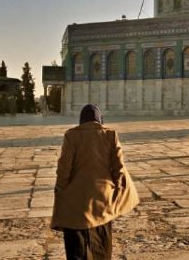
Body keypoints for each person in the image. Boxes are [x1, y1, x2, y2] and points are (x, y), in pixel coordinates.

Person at [51, 104, 140, 260]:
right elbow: (118, 168)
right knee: (101, 237)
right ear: (99, 118)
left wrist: (60, 188)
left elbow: (64, 168)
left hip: (76, 198)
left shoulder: (71, 135)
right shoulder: (110, 135)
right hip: (103, 196)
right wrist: (117, 191)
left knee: (76, 243)